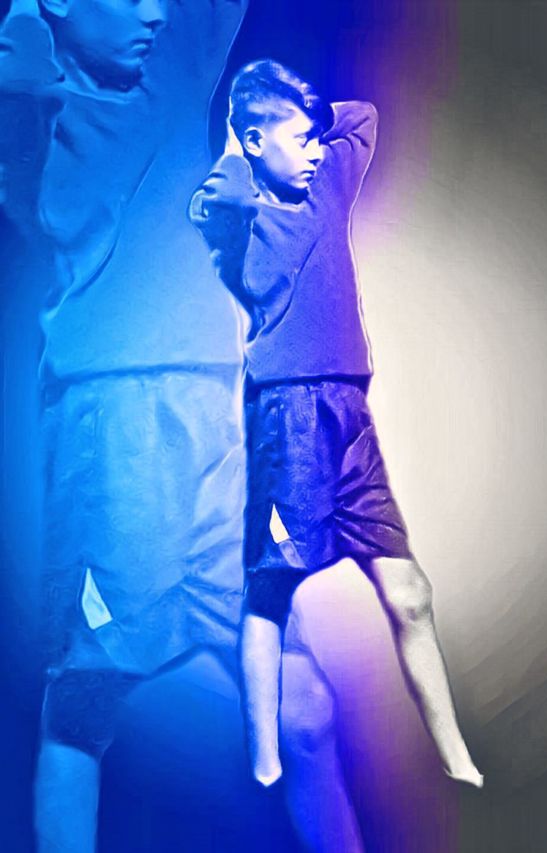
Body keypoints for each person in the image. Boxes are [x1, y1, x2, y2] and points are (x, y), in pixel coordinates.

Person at [1, 3, 363, 850]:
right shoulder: (29, 99)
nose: (154, 10)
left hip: (219, 426)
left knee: (305, 708)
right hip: (112, 440)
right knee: (80, 711)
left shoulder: (168, 64)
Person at [191, 58, 484, 791]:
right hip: (287, 420)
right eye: (297, 140)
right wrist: (238, 136)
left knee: (410, 593)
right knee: (272, 590)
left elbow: (362, 119)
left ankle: (456, 755)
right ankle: (265, 764)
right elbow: (220, 192)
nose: (316, 151)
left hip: (352, 420)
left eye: (313, 140)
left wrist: (301, 118)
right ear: (252, 143)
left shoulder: (327, 186)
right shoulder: (236, 215)